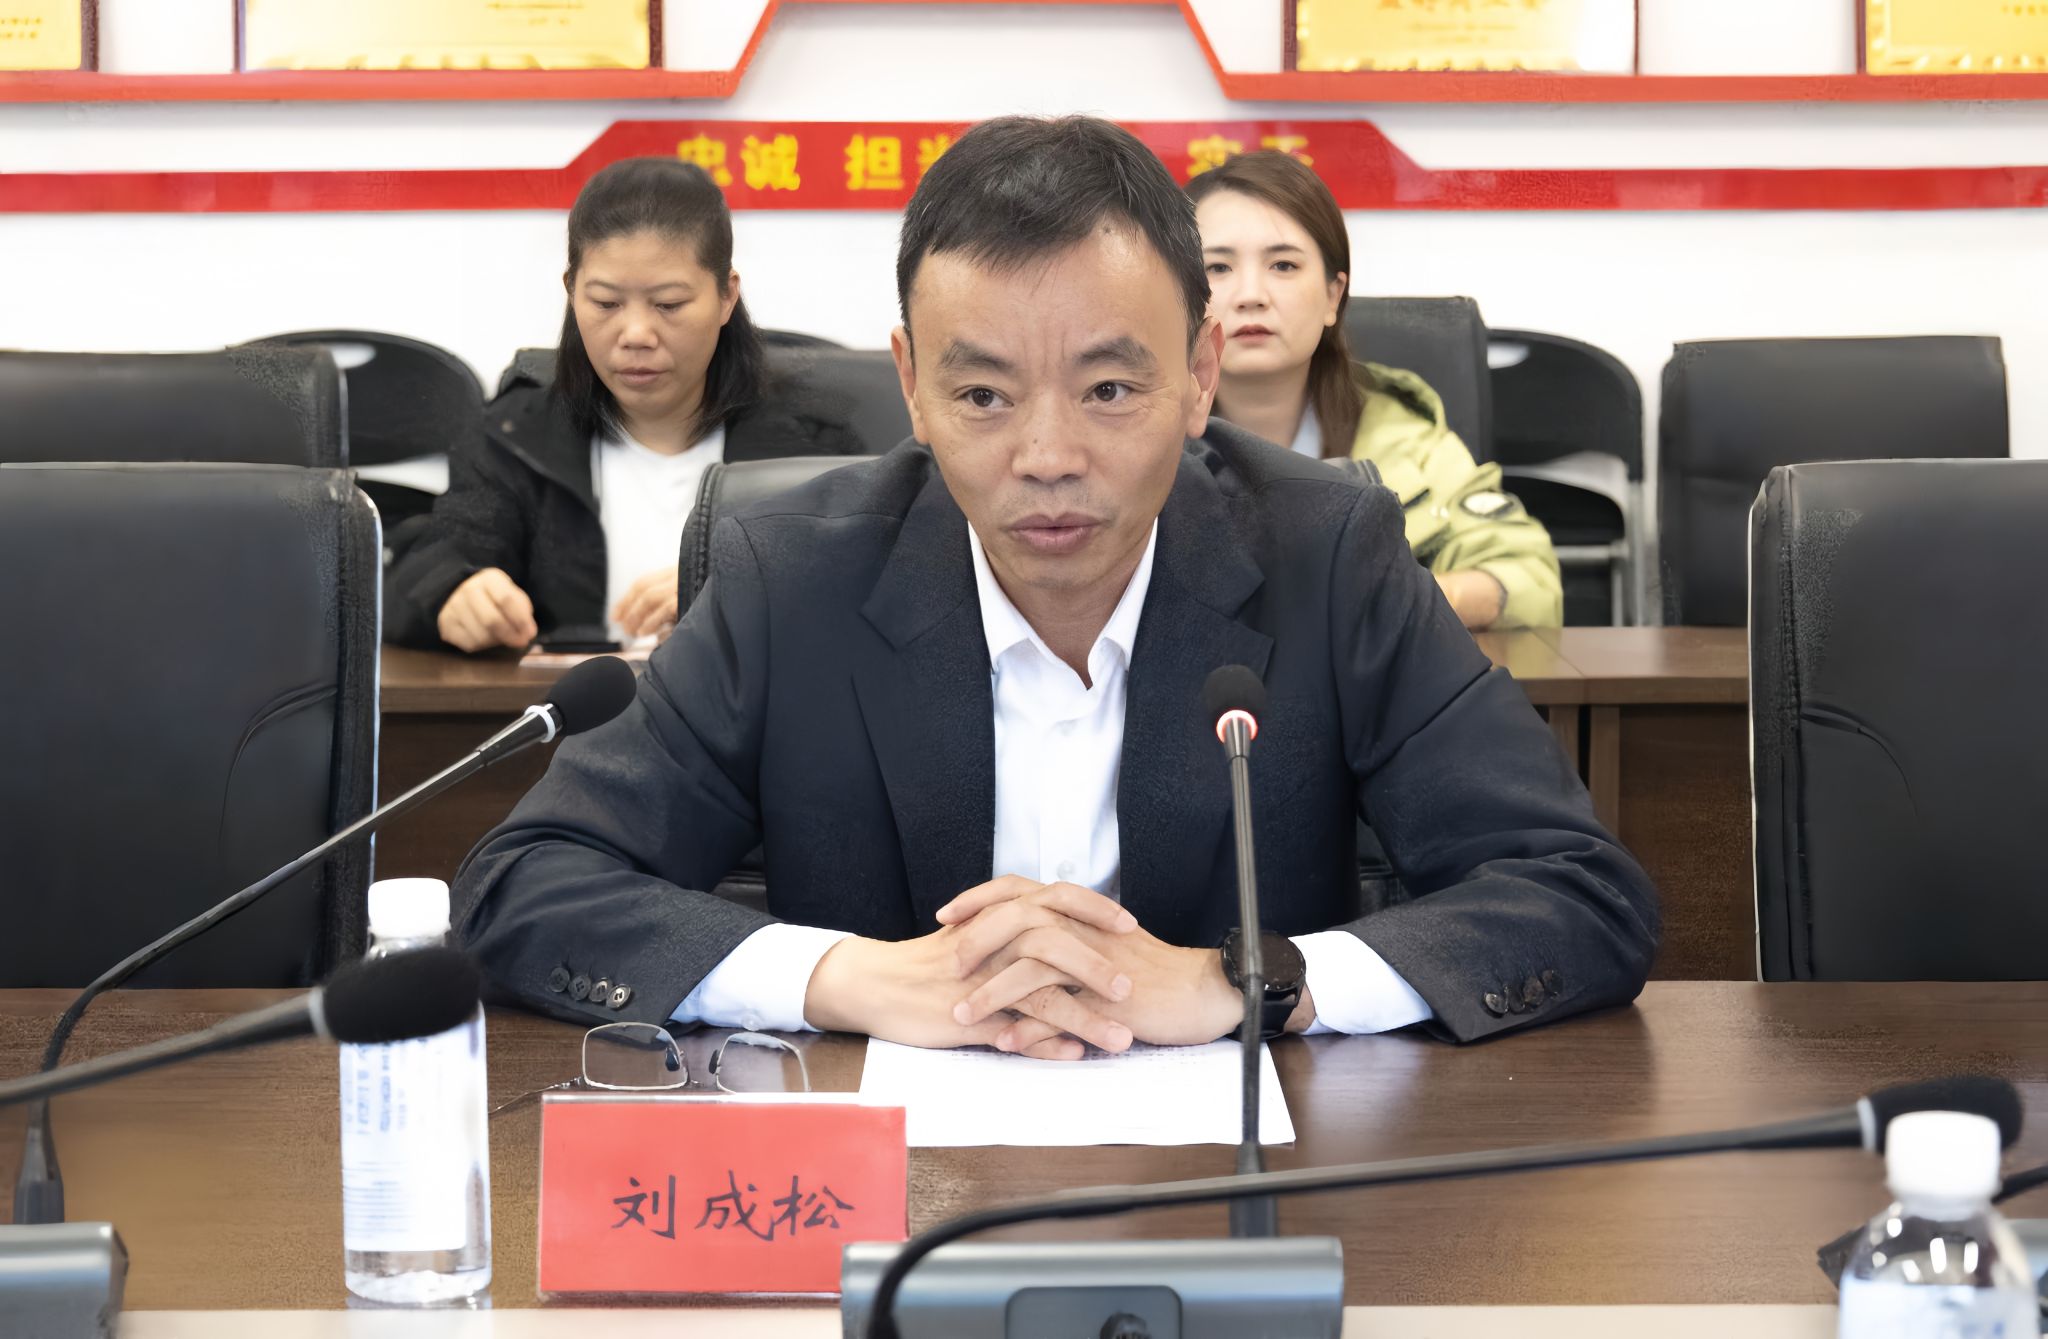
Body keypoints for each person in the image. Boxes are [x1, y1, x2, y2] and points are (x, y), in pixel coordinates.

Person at [456, 116, 1657, 1057]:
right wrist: (847, 976)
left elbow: (1578, 893)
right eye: (981, 395)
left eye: (1108, 390)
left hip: (1236, 1182)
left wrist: (1248, 983)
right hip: (889, 1203)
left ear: (1198, 375)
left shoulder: (1326, 553)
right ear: (911, 385)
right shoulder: (793, 575)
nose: (1045, 456)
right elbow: (523, 883)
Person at [384, 157, 864, 653]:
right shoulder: (516, 437)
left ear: (726, 296)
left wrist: (733, 588)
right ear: (572, 292)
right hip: (578, 704)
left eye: (669, 304)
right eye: (606, 304)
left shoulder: (809, 448)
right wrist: (451, 592)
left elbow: (863, 590)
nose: (636, 334)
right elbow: (429, 563)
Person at [1187, 151, 1561, 630]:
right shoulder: (1142, 433)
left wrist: (1393, 599)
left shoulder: (1403, 438)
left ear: (1333, 295)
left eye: (1282, 265)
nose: (1251, 295)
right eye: (1217, 268)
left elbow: (1531, 583)